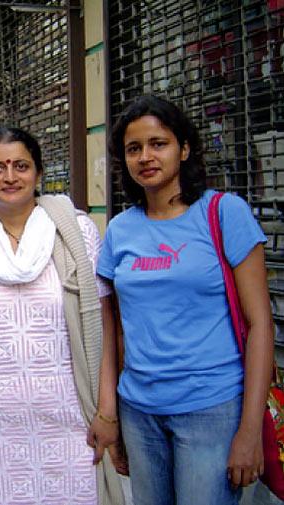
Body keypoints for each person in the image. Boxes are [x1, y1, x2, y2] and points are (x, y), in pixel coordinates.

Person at [97, 95, 274, 505]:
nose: (146, 156)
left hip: (211, 408)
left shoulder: (224, 213)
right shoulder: (120, 231)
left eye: (158, 143)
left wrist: (249, 431)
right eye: (133, 148)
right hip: (139, 411)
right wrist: (115, 416)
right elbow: (116, 331)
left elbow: (261, 323)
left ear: (185, 148)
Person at [0, 126, 126, 505]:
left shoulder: (76, 233)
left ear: (39, 173)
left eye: (21, 166)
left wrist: (107, 411)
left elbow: (103, 328)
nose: (10, 177)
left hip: (70, 416)